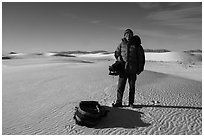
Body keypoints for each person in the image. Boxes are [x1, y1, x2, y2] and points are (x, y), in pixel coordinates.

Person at [112, 29, 145, 108]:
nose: (128, 36)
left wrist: (140, 69)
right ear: (124, 36)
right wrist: (119, 57)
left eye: (130, 34)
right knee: (120, 87)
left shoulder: (137, 45)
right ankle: (119, 102)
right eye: (126, 34)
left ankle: (131, 103)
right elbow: (116, 53)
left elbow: (141, 58)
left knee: (132, 87)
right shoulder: (121, 44)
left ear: (132, 35)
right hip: (123, 69)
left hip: (133, 70)